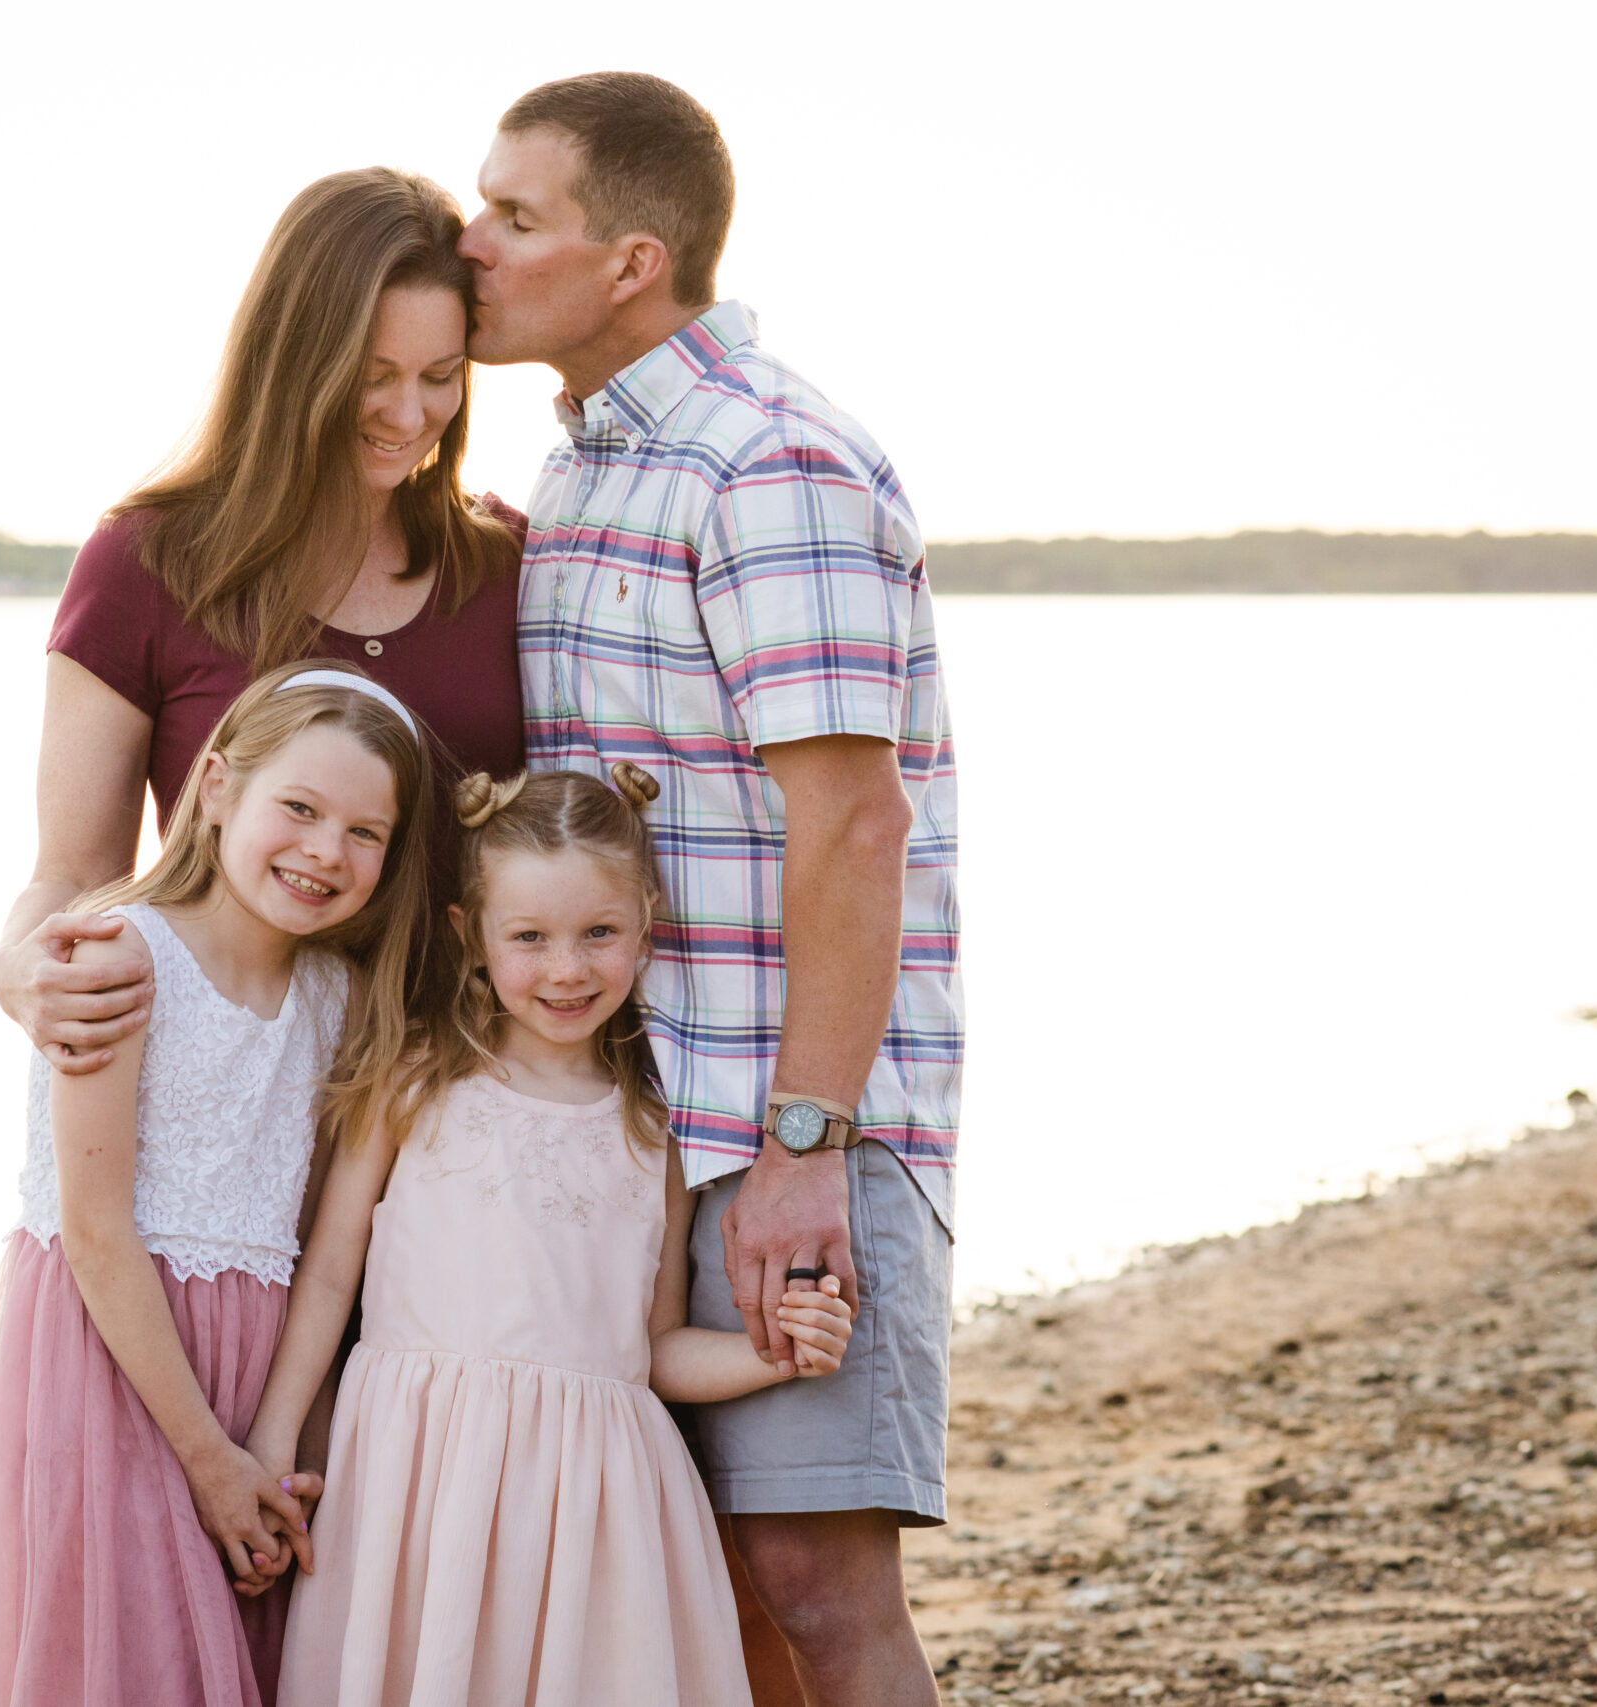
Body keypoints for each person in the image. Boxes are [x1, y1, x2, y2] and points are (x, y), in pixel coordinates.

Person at [455, 74, 965, 1706]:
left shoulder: (770, 466)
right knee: (708, 1594)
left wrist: (803, 1151)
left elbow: (854, 830)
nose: (471, 244)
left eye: (515, 216)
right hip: (629, 1131)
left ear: (630, 258)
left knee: (820, 1591)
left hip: (789, 1131)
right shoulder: (594, 473)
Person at [244, 765, 855, 1705]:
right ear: (473, 939)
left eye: (598, 934)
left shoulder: (652, 1131)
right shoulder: (413, 1082)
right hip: (418, 1480)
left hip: (591, 1500)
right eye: (530, 937)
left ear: (645, 926)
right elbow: (327, 1281)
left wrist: (775, 1353)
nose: (566, 969)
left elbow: (651, 1350)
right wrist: (278, 1436)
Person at [0, 663, 436, 1707]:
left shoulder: (336, 998)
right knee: (132, 1659)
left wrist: (267, 1445)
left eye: (366, 833)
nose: (324, 851)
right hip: (115, 1363)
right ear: (216, 787)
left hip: (254, 1377)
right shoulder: (118, 954)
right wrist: (208, 1460)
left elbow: (320, 1251)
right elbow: (93, 1234)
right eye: (299, 808)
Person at [0, 165, 528, 1083]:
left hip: (460, 1104)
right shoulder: (145, 563)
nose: (410, 415)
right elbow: (77, 869)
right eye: (373, 377)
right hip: (229, 1094)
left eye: (440, 377)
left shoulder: (510, 564)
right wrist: (17, 969)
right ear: (294, 361)